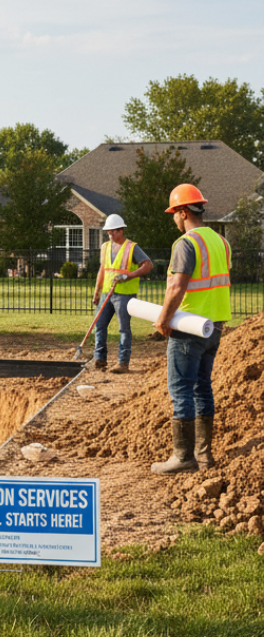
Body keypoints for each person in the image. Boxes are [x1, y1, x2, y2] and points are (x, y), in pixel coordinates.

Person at [151, 184, 231, 475]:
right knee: (202, 386)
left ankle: (183, 457)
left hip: (188, 326)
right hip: (215, 326)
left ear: (183, 212)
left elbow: (177, 286)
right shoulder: (221, 242)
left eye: (174, 213)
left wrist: (162, 319)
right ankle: (204, 456)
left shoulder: (186, 243)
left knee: (181, 388)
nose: (173, 218)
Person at [90, 214, 153, 372]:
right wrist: (97, 292)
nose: (110, 235)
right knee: (100, 324)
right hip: (106, 292)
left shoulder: (132, 248)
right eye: (108, 232)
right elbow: (102, 270)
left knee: (124, 328)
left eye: (113, 232)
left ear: (121, 230)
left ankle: (123, 363)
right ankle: (99, 359)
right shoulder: (105, 247)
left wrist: (129, 276)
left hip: (124, 294)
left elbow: (148, 265)